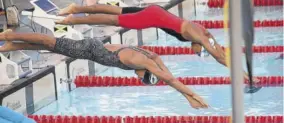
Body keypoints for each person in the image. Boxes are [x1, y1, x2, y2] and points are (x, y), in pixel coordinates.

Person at [0, 29, 208, 109]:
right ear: (146, 72)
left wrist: (185, 93)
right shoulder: (140, 61)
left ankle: (14, 45)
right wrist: (191, 96)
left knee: (49, 46)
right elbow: (170, 80)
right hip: (91, 49)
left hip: (92, 51)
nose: (139, 79)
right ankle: (8, 36)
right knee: (49, 41)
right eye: (143, 79)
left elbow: (163, 67)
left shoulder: (150, 59)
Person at [55, 3, 256, 82]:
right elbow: (221, 57)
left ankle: (77, 7)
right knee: (112, 20)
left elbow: (216, 50)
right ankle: (73, 18)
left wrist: (200, 48)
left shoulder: (204, 34)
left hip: (156, 11)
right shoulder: (203, 37)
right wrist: (244, 74)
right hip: (153, 18)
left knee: (117, 11)